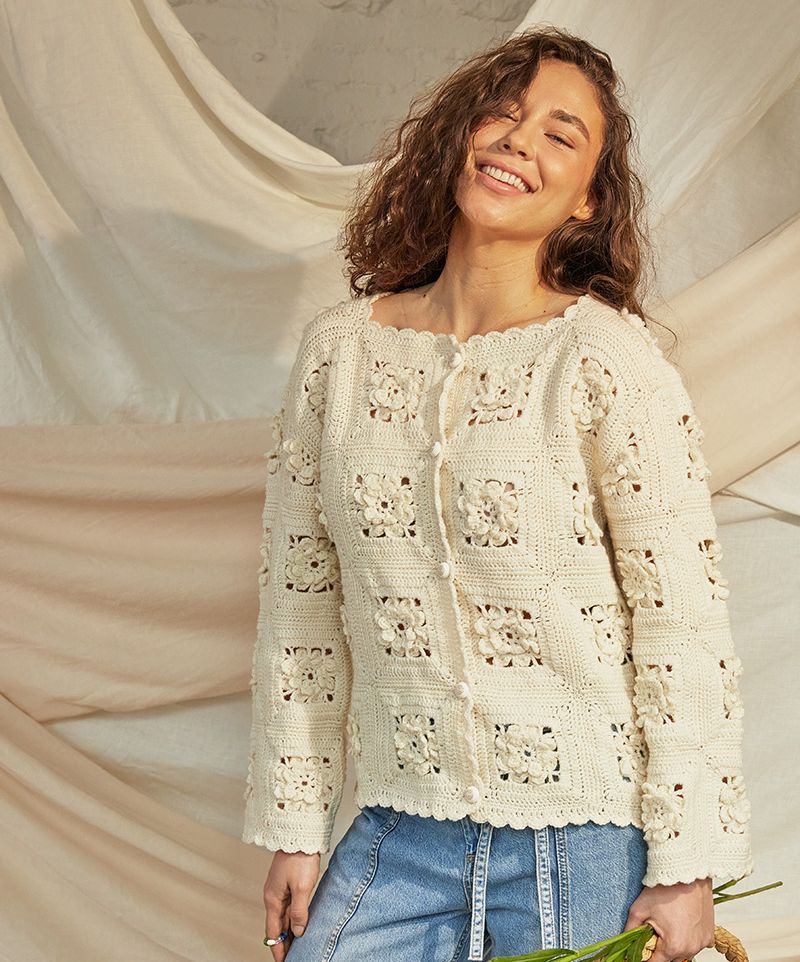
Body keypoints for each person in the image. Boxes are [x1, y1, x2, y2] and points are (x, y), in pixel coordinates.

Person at [241, 25, 753, 962]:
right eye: (504, 115)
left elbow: (681, 622)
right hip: (399, 828)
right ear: (459, 139)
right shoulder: (339, 355)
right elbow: (301, 612)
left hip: (582, 837)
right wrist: (296, 826)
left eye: (561, 133)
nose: (520, 140)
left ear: (588, 199)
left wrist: (686, 866)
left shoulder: (605, 358)